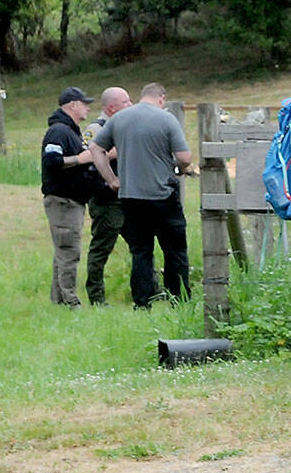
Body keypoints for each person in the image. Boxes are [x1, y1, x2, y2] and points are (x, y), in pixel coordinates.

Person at [88, 83, 197, 309]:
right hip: (162, 195)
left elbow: (95, 149)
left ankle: (142, 302)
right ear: (161, 98)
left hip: (131, 197)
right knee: (174, 250)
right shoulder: (166, 119)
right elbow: (185, 157)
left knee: (141, 252)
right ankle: (179, 299)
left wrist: (112, 180)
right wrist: (181, 167)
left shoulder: (119, 119)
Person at [41, 86, 96, 308]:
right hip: (63, 201)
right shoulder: (59, 131)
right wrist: (81, 159)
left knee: (63, 251)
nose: (88, 108)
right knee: (68, 251)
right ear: (72, 105)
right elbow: (52, 162)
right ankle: (70, 301)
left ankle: (59, 299)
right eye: (84, 103)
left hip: (72, 201)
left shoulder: (70, 131)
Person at [81, 87, 132, 306]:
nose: (131, 105)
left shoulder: (124, 127)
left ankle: (151, 290)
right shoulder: (96, 128)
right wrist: (118, 150)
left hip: (128, 196)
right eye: (126, 102)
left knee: (141, 244)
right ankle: (96, 297)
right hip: (106, 198)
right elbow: (87, 155)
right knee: (102, 247)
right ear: (112, 107)